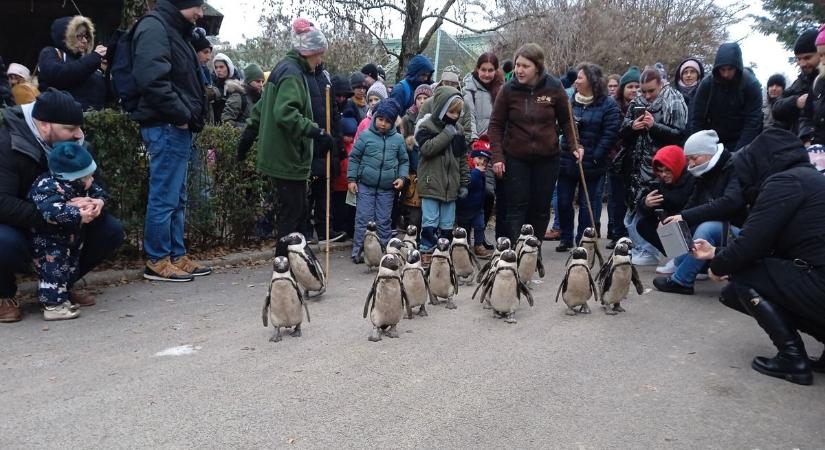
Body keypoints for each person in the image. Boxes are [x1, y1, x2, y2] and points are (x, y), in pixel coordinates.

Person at [692, 127, 825, 385]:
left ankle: (793, 360)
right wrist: (717, 253)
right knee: (743, 280)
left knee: (743, 275)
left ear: (761, 160)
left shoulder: (784, 182)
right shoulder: (808, 179)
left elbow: (750, 246)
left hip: (819, 284)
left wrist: (718, 265)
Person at [0, 90, 124, 323]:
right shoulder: (7, 143)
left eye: (78, 127)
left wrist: (97, 203)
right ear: (44, 124)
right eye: (69, 128)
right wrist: (55, 214)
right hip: (20, 223)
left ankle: (60, 287)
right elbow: (2, 202)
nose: (78, 135)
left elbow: (99, 185)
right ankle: (4, 294)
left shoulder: (76, 143)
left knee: (111, 230)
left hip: (64, 224)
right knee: (2, 241)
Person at [132, 0, 211, 282]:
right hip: (165, 124)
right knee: (165, 196)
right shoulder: (155, 27)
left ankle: (176, 255)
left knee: (176, 197)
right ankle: (157, 259)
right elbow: (152, 79)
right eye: (197, 6)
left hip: (175, 125)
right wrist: (180, 115)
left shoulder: (175, 30)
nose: (201, 13)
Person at [237, 17, 330, 256]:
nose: (320, 60)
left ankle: (299, 263)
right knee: (293, 216)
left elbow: (262, 107)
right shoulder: (292, 73)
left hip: (283, 157)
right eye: (319, 54)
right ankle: (284, 268)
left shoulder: (282, 67)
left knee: (297, 213)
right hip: (288, 157)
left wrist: (248, 135)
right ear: (308, 52)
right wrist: (316, 131)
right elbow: (284, 112)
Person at [488, 43, 582, 245]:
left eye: (525, 66)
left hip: (547, 158)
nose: (519, 70)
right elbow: (495, 125)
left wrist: (576, 146)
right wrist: (497, 156)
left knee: (540, 207)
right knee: (517, 205)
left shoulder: (554, 87)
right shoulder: (508, 90)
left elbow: (567, 121)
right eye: (517, 65)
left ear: (537, 67)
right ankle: (514, 251)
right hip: (515, 157)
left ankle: (533, 250)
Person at [653, 130, 746, 294]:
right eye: (688, 159)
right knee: (689, 223)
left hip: (743, 230)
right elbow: (694, 202)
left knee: (706, 228)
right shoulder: (708, 171)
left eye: (694, 158)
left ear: (708, 153)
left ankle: (681, 281)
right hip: (729, 227)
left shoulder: (734, 167)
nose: (691, 164)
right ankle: (681, 264)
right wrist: (676, 220)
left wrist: (685, 216)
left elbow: (730, 203)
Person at [28, 141, 108, 321]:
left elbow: (100, 192)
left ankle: (62, 297)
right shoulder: (45, 185)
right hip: (49, 240)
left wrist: (98, 203)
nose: (92, 180)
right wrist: (77, 214)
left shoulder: (82, 184)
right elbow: (51, 211)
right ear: (73, 177)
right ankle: (53, 305)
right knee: (53, 270)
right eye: (88, 177)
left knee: (69, 269)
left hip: (72, 238)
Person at [620, 67, 688, 264]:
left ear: (661, 84)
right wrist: (632, 126)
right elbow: (622, 131)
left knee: (662, 212)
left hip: (664, 167)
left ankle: (671, 255)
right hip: (637, 166)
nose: (647, 95)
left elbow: (679, 134)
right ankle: (644, 249)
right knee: (635, 209)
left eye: (651, 91)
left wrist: (654, 126)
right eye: (644, 91)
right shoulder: (637, 102)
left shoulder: (674, 99)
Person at [556, 62, 621, 251]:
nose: (576, 81)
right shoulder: (570, 101)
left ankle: (582, 240)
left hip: (593, 164)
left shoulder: (608, 104)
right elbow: (562, 126)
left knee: (587, 204)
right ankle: (565, 237)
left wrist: (594, 157)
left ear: (591, 80)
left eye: (580, 77)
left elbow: (610, 133)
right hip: (567, 160)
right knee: (564, 201)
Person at [347, 99, 408, 263]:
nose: (383, 124)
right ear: (375, 118)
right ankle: (359, 250)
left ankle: (384, 250)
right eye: (380, 119)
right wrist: (352, 179)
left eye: (388, 121)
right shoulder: (366, 136)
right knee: (363, 219)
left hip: (387, 188)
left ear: (393, 122)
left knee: (383, 220)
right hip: (365, 185)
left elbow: (403, 161)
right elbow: (354, 157)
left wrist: (402, 177)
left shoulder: (398, 139)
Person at [414, 86, 470, 262]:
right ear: (441, 109)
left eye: (458, 112)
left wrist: (464, 182)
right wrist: (446, 134)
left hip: (450, 186)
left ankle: (444, 250)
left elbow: (461, 157)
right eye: (452, 112)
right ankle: (427, 250)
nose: (455, 116)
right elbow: (426, 149)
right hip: (431, 183)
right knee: (430, 219)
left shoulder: (459, 129)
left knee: (447, 221)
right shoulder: (426, 126)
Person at [689, 42, 763, 151]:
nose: (726, 74)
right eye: (722, 69)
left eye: (730, 69)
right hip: (711, 140)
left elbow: (752, 122)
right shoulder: (707, 84)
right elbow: (697, 119)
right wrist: (699, 148)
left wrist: (738, 153)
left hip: (741, 139)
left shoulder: (751, 85)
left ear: (737, 68)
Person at [462, 53, 502, 247]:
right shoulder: (469, 89)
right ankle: (468, 235)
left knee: (489, 194)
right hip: (477, 148)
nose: (486, 74)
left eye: (490, 70)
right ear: (477, 69)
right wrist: (474, 141)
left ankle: (480, 236)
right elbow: (468, 115)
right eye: (483, 69)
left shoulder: (501, 90)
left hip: (495, 148)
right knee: (477, 192)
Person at [630, 144, 694, 262]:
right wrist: (646, 203)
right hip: (674, 221)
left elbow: (691, 205)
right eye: (660, 171)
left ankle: (685, 258)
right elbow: (646, 206)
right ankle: (675, 256)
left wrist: (674, 217)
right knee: (643, 224)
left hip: (690, 221)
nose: (663, 175)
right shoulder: (660, 182)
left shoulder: (692, 179)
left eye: (668, 170)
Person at [37, 15, 107, 110]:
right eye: (79, 36)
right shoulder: (51, 52)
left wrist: (107, 71)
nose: (85, 41)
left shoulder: (90, 62)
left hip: (93, 120)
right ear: (65, 36)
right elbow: (59, 75)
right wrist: (94, 57)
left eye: (86, 36)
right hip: (61, 119)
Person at [604, 66, 640, 248]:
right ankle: (618, 234)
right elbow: (611, 133)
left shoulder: (644, 106)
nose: (634, 90)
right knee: (616, 200)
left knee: (634, 199)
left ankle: (635, 235)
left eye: (637, 86)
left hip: (638, 161)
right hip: (616, 159)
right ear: (622, 88)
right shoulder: (613, 106)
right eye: (630, 86)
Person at [772, 28, 819, 135]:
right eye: (798, 59)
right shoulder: (801, 81)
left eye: (807, 57)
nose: (802, 64)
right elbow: (776, 108)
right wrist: (796, 102)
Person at [456, 143, 492, 257]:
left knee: (480, 226)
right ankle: (464, 244)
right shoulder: (470, 172)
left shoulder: (482, 173)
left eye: (485, 161)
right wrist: (477, 172)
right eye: (479, 158)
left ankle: (478, 244)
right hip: (465, 207)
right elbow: (470, 183)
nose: (482, 162)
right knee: (464, 227)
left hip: (478, 208)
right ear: (472, 158)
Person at [799, 26, 825, 147]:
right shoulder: (818, 82)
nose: (823, 61)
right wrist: (807, 138)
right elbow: (806, 115)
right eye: (821, 55)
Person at [332, 116, 358, 239]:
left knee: (351, 210)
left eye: (352, 135)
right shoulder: (338, 146)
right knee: (340, 209)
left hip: (350, 185)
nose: (350, 138)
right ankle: (340, 229)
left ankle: (350, 230)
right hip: (339, 185)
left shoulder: (354, 145)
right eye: (347, 134)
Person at [220, 63, 264, 127]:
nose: (261, 85)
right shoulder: (238, 97)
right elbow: (226, 121)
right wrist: (248, 128)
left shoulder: (262, 97)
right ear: (249, 81)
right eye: (258, 81)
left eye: (262, 82)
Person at [191, 29, 217, 125]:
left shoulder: (205, 71)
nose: (209, 57)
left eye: (210, 53)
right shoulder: (190, 73)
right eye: (205, 52)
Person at [211, 52, 241, 122]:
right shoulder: (212, 84)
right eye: (216, 67)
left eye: (221, 67)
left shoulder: (237, 85)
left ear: (228, 67)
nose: (218, 70)